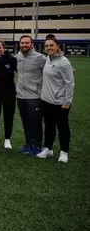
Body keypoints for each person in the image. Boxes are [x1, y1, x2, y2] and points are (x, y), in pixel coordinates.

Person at [36, 35, 74, 163]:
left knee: (62, 127)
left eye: (51, 45)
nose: (49, 48)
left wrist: (66, 103)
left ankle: (64, 152)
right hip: (46, 100)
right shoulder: (48, 58)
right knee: (49, 126)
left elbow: (70, 83)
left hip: (60, 102)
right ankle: (48, 149)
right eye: (47, 46)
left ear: (57, 46)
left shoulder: (64, 62)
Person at [15, 35, 47, 155]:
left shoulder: (40, 58)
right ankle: (28, 143)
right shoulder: (17, 57)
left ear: (32, 44)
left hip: (35, 96)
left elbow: (52, 68)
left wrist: (69, 70)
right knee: (25, 121)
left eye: (27, 43)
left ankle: (37, 145)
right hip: (21, 96)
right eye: (22, 43)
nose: (24, 45)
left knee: (36, 122)